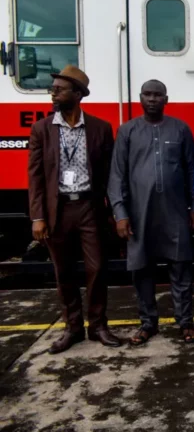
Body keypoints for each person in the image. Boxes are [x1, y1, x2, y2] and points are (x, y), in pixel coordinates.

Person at [27, 65, 121, 353]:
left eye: (59, 89)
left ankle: (98, 326)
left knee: (97, 268)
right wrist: (38, 217)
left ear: (78, 94)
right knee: (63, 271)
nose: (53, 92)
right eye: (53, 88)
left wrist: (113, 211)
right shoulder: (41, 129)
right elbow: (36, 176)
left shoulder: (100, 128)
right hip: (58, 210)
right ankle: (73, 328)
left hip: (89, 208)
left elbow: (108, 174)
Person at [108, 80, 194, 345]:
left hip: (175, 214)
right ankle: (148, 323)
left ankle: (186, 323)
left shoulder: (180, 129)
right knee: (142, 271)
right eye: (147, 94)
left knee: (181, 269)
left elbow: (193, 171)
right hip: (139, 214)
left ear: (166, 99)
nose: (152, 99)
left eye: (157, 95)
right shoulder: (127, 131)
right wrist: (120, 213)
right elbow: (117, 176)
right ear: (139, 98)